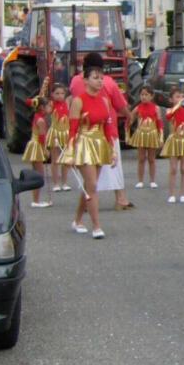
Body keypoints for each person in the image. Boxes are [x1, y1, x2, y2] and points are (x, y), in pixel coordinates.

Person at [69, 52, 134, 211]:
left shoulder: (76, 81)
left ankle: (86, 201)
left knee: (88, 170)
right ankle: (120, 198)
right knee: (114, 165)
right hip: (106, 128)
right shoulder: (108, 82)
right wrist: (129, 116)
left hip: (84, 131)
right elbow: (120, 104)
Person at [65, 62, 118, 239]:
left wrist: (112, 149)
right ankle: (96, 226)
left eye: (102, 78)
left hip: (100, 143)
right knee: (93, 185)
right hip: (84, 143)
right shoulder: (78, 101)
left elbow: (108, 127)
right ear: (85, 80)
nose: (100, 81)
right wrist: (71, 151)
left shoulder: (104, 100)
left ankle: (78, 220)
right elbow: (72, 129)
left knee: (89, 185)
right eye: (96, 78)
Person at [160, 87, 184, 204]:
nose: (180, 99)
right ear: (171, 99)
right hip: (174, 140)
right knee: (173, 169)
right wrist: (178, 105)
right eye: (177, 97)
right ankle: (171, 194)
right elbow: (168, 117)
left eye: (182, 96)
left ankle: (183, 194)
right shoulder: (169, 110)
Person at [128, 85, 164, 189]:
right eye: (142, 95)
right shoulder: (138, 108)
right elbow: (131, 119)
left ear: (151, 96)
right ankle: (140, 180)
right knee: (141, 159)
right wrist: (128, 125)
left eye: (146, 95)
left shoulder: (156, 108)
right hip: (141, 135)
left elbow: (159, 123)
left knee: (151, 159)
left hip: (152, 134)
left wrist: (161, 137)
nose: (144, 97)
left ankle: (152, 180)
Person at [22, 87, 51, 208]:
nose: (50, 108)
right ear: (42, 108)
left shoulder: (37, 116)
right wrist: (46, 150)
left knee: (36, 173)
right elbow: (42, 137)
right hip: (37, 146)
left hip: (33, 145)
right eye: (48, 106)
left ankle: (36, 199)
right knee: (39, 174)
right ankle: (36, 200)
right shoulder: (41, 121)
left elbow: (38, 98)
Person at [44, 81, 72, 192]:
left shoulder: (67, 103)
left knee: (66, 159)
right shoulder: (51, 104)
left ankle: (64, 182)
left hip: (66, 132)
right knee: (55, 160)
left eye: (62, 93)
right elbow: (46, 111)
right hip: (55, 133)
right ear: (52, 94)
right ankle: (56, 183)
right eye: (57, 93)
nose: (60, 96)